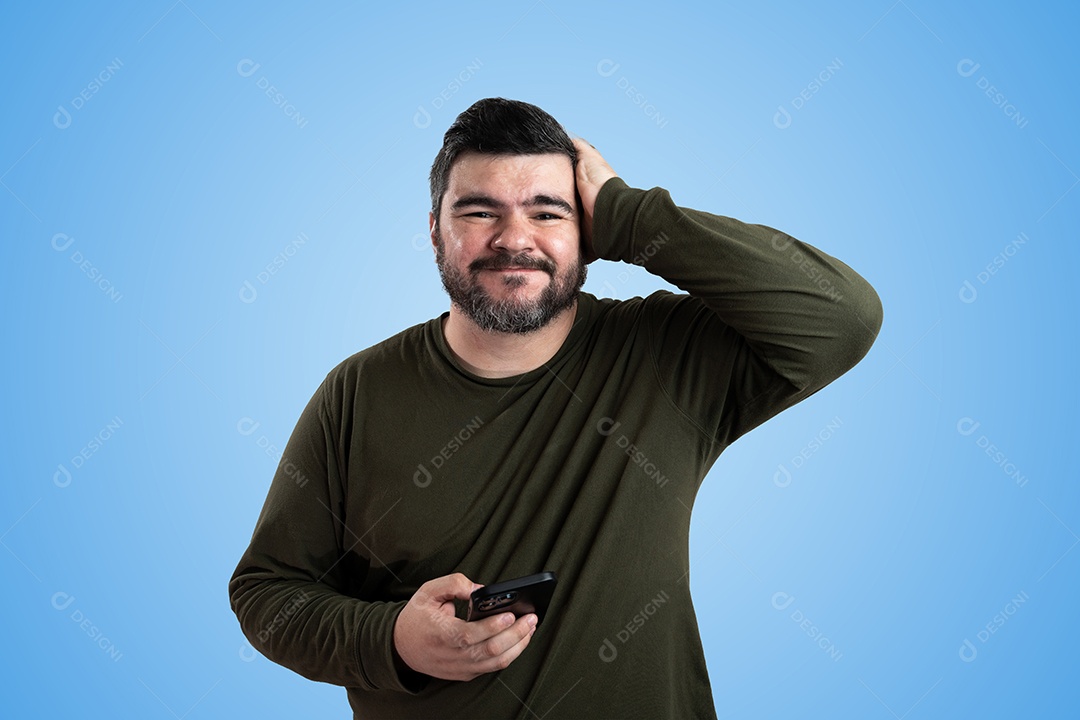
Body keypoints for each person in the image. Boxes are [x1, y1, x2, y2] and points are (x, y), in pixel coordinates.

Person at [228, 97, 883, 719]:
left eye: (548, 212)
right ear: (434, 232)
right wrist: (393, 640)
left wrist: (632, 215)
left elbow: (843, 316)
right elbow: (267, 592)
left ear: (589, 232)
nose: (515, 239)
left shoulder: (667, 356)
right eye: (479, 212)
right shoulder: (356, 393)